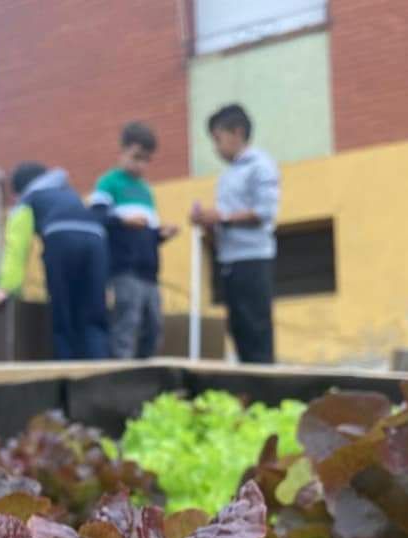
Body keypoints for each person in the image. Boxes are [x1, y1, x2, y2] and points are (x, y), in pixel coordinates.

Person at [0, 163, 109, 361]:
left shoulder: (28, 198)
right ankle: (101, 382)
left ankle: (66, 382)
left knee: (63, 319)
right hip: (97, 240)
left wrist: (5, 287)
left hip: (61, 239)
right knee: (93, 319)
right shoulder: (68, 193)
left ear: (19, 190)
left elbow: (17, 245)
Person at [191, 104, 280, 364]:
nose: (216, 148)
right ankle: (249, 392)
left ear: (237, 132)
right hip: (230, 262)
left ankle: (266, 394)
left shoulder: (260, 166)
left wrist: (221, 217)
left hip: (253, 260)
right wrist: (207, 223)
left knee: (257, 331)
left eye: (217, 139)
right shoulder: (228, 175)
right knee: (239, 331)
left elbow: (264, 212)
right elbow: (225, 220)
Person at [90, 122, 178, 359]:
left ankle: (145, 377)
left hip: (149, 273)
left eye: (146, 159)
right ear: (122, 151)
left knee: (154, 327)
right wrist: (123, 221)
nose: (141, 164)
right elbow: (97, 217)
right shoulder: (108, 183)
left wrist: (160, 234)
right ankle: (122, 380)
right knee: (126, 326)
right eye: (136, 157)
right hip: (123, 271)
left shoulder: (145, 190)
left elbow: (146, 233)